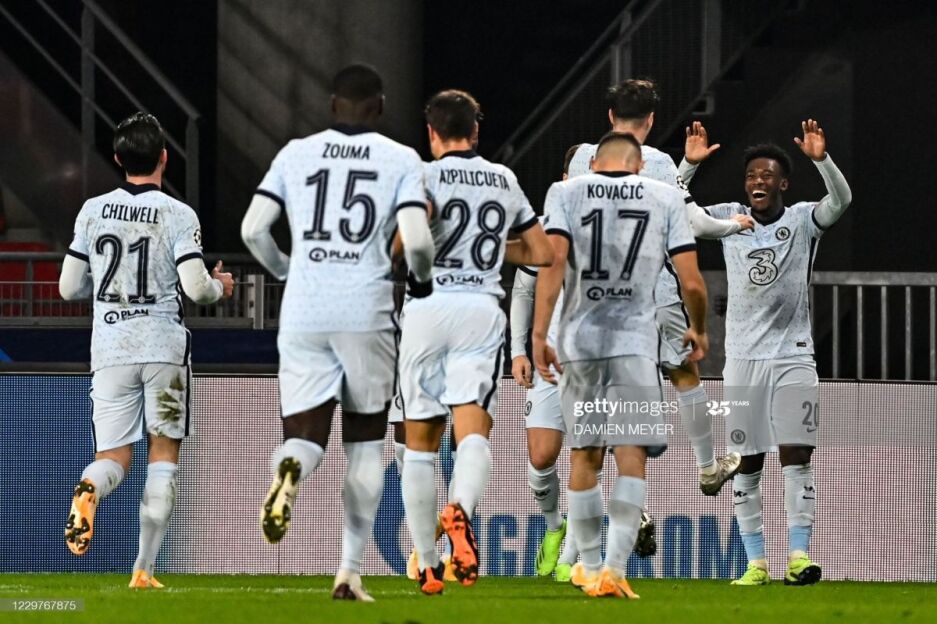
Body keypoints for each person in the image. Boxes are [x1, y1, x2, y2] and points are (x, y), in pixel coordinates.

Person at [240, 64, 435, 601]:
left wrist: (287, 270)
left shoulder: (296, 153)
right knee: (366, 445)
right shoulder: (400, 158)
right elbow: (418, 240)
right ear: (380, 106)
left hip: (304, 308)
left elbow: (252, 230)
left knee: (303, 434)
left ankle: (290, 468)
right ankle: (348, 572)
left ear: (332, 105)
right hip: (364, 308)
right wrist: (420, 279)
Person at [59, 112, 234, 588]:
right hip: (163, 350)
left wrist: (104, 288)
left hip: (110, 348)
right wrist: (220, 286)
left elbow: (69, 287)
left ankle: (90, 487)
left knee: (113, 456)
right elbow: (196, 289)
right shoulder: (178, 214)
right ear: (164, 157)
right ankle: (143, 569)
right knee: (163, 455)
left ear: (118, 159)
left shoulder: (93, 210)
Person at [534, 132, 708, 598]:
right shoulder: (663, 197)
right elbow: (691, 281)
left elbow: (552, 264)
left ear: (593, 163)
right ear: (638, 166)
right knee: (631, 457)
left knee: (584, 455)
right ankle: (613, 569)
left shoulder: (565, 192)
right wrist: (699, 327)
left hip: (580, 343)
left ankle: (588, 568)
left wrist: (538, 333)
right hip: (634, 345)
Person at [682, 119, 851, 586]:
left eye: (767, 175)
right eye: (751, 175)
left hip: (794, 355)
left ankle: (799, 557)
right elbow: (682, 214)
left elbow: (841, 201)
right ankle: (756, 563)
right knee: (747, 462)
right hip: (742, 360)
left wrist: (822, 160)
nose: (757, 181)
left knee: (797, 453)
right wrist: (688, 167)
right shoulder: (730, 218)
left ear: (783, 184)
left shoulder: (802, 220)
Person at [399, 89, 552, 595]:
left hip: (425, 308)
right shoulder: (502, 178)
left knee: (419, 444)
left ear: (432, 132)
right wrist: (483, 253)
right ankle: (459, 510)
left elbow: (403, 243)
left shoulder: (420, 175)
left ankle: (427, 566)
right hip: (479, 312)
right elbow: (541, 252)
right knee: (473, 434)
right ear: (476, 131)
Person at [568, 81, 751, 499]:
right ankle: (708, 468)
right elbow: (693, 222)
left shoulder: (582, 158)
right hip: (654, 292)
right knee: (684, 373)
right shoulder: (657, 161)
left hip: (598, 301)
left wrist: (687, 167)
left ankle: (629, 504)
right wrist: (733, 225)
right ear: (650, 120)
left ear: (610, 116)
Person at [508, 143, 577, 581]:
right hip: (549, 358)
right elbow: (523, 291)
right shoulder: (546, 223)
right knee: (540, 457)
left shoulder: (617, 221)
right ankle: (555, 526)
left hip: (597, 362)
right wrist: (518, 349)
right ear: (565, 177)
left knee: (587, 460)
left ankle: (571, 558)